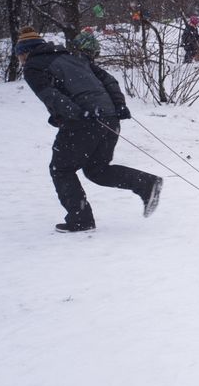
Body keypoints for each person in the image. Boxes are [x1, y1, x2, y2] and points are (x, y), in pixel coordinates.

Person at [16, 26, 162, 232]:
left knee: (61, 169)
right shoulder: (74, 57)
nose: (20, 60)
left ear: (24, 52)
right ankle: (146, 183)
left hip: (83, 121)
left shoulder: (33, 67)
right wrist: (118, 106)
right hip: (109, 118)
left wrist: (76, 112)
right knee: (97, 170)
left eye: (19, 56)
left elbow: (50, 95)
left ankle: (81, 220)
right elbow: (108, 80)